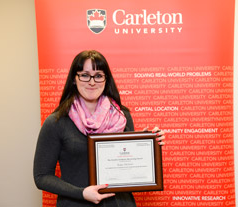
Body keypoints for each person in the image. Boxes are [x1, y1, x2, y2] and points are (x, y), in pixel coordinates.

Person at [33, 50, 165, 207]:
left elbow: (127, 164)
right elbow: (41, 177)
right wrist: (81, 193)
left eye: (98, 75)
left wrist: (145, 143)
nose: (92, 82)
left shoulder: (121, 117)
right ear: (74, 79)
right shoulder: (57, 122)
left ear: (105, 80)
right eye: (84, 75)